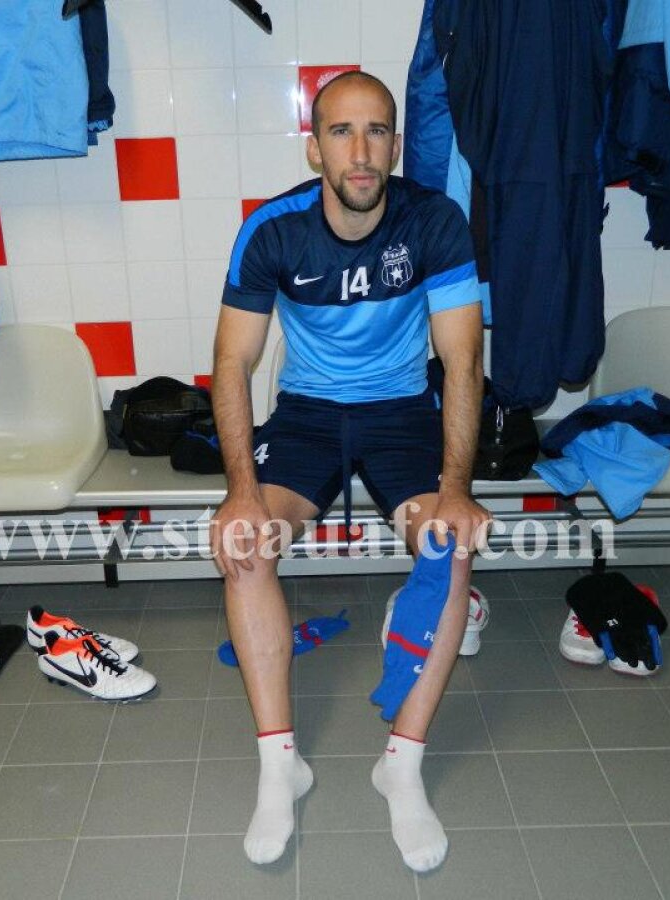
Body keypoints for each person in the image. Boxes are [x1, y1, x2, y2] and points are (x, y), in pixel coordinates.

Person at [209, 71, 490, 873]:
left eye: (377, 133)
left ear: (398, 147)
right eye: (341, 131)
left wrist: (457, 489)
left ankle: (401, 765)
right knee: (246, 545)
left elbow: (462, 360)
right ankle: (279, 767)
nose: (361, 152)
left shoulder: (434, 221)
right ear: (315, 145)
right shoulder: (272, 229)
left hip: (402, 412)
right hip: (304, 415)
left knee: (449, 547)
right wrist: (237, 493)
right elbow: (232, 362)